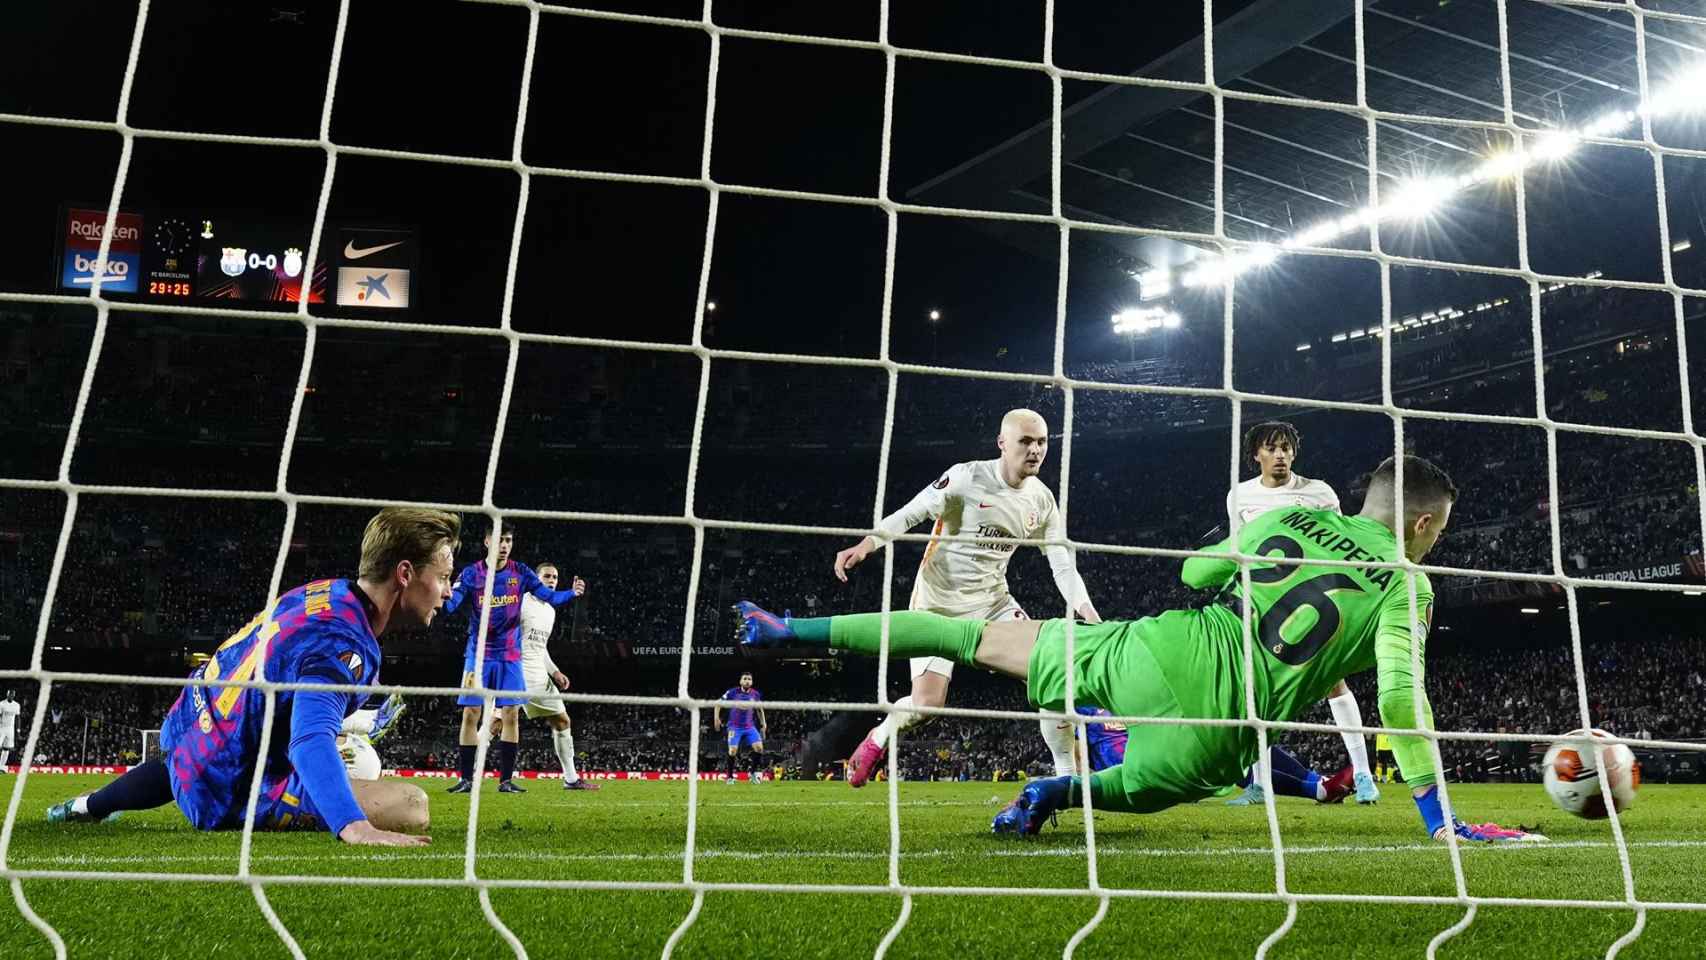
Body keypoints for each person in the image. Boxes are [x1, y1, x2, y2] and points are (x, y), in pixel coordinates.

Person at [737, 456, 1543, 843]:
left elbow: (1196, 570)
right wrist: (1442, 820)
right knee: (1142, 788)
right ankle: (1049, 795)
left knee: (967, 636)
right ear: (1427, 525)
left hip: (1162, 645)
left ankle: (790, 630)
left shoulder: (1287, 517)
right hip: (1221, 725)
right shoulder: (1411, 582)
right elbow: (1401, 700)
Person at [46, 507, 459, 846]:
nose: (448, 591)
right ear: (405, 574)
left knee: (189, 762)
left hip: (193, 730)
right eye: (442, 577)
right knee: (410, 803)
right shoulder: (343, 642)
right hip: (230, 787)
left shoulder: (325, 593)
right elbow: (309, 739)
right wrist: (355, 826)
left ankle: (86, 807)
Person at [828, 408, 1099, 787]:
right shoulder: (966, 477)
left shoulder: (1042, 500)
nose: (1035, 450)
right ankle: (879, 736)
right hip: (937, 605)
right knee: (927, 705)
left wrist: (1086, 609)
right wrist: (868, 543)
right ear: (1002, 444)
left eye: (1041, 442)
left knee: (1049, 670)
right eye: (1025, 442)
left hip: (993, 603)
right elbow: (911, 514)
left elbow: (1062, 564)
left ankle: (1068, 781)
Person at [1224, 421, 1378, 806]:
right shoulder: (1239, 496)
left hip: (1315, 598)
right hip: (1265, 602)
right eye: (1271, 448)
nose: (1280, 455)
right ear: (1255, 454)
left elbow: (1342, 542)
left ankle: (1363, 775)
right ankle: (1259, 785)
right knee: (1258, 692)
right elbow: (1239, 550)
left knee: (1334, 682)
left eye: (1286, 448)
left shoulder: (1318, 493)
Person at [443, 523, 583, 795]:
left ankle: (505, 781)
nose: (504, 545)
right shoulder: (472, 573)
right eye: (499, 540)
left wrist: (571, 594)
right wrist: (441, 594)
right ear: (486, 541)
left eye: (508, 540)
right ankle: (466, 780)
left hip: (510, 657)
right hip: (478, 656)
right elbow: (450, 606)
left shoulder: (520, 572)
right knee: (472, 714)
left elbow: (548, 596)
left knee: (510, 715)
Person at [486, 562, 598, 791]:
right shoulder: (522, 602)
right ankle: (469, 773)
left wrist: (555, 671)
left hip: (538, 676)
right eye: (547, 576)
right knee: (496, 723)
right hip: (516, 672)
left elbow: (540, 647)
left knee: (562, 720)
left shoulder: (550, 611)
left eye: (555, 577)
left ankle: (571, 778)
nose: (552, 580)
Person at [714, 672, 766, 783]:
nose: (747, 681)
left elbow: (759, 709)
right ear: (740, 681)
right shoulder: (732, 692)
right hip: (734, 727)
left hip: (749, 727)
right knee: (732, 751)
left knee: (759, 748)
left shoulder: (755, 694)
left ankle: (752, 775)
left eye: (749, 679)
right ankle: (730, 777)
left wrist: (763, 723)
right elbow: (718, 703)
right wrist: (716, 718)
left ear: (752, 682)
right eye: (745, 678)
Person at [0, 690, 20, 769]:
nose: (11, 696)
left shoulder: (17, 705)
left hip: (10, 728)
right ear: (7, 694)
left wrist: (18, 730)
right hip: (2, 727)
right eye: (9, 694)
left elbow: (18, 718)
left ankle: (1, 767)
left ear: (14, 695)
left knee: (6, 748)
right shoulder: (1, 704)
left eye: (12, 695)